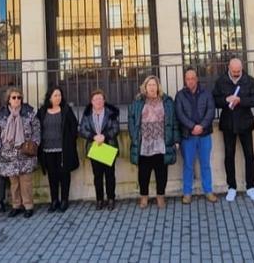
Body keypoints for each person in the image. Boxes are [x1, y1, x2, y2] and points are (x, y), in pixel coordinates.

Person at [213, 57, 254, 201]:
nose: (236, 73)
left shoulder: (249, 80)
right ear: (229, 68)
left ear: (242, 68)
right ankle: (232, 187)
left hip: (245, 123)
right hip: (228, 123)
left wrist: (241, 100)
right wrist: (225, 100)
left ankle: (251, 187)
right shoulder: (221, 80)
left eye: (238, 71)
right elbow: (214, 100)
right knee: (229, 156)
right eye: (233, 71)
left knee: (250, 156)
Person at [129, 75, 178, 209]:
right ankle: (144, 197)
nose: (152, 87)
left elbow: (173, 122)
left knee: (161, 172)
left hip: (161, 142)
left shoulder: (167, 101)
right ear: (145, 87)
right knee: (143, 173)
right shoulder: (138, 101)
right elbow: (132, 120)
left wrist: (175, 139)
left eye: (154, 85)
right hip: (144, 143)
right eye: (149, 85)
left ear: (158, 87)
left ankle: (160, 196)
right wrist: (134, 137)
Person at [0, 87, 40, 218]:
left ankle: (28, 206)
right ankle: (16, 205)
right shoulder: (2, 116)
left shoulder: (29, 113)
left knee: (26, 183)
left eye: (19, 97)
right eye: (14, 97)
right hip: (9, 155)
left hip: (26, 153)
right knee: (14, 184)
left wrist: (34, 144)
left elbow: (37, 130)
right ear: (9, 99)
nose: (16, 100)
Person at [175, 67, 216, 204]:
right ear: (185, 80)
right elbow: (180, 114)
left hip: (204, 134)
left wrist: (201, 126)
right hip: (188, 135)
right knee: (188, 165)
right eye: (188, 79)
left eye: (193, 78)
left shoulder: (206, 93)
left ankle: (208, 191)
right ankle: (187, 193)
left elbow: (211, 110)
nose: (190, 81)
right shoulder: (180, 95)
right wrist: (192, 126)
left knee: (205, 164)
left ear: (197, 79)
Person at [36, 85, 79, 213]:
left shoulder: (66, 110)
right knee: (52, 176)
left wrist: (69, 142)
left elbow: (74, 126)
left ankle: (64, 200)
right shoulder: (42, 111)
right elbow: (37, 128)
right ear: (49, 97)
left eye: (59, 95)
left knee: (64, 175)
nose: (58, 98)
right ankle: (54, 200)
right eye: (55, 95)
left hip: (63, 149)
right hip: (47, 149)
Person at [79, 89, 120, 210]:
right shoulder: (87, 114)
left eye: (100, 99)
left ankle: (111, 198)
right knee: (97, 176)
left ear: (104, 100)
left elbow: (116, 128)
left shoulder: (110, 113)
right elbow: (82, 130)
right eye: (95, 99)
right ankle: (99, 199)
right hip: (94, 147)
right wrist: (93, 136)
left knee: (110, 175)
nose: (98, 101)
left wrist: (105, 136)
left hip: (108, 146)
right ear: (91, 101)